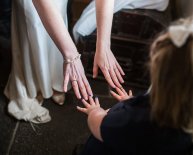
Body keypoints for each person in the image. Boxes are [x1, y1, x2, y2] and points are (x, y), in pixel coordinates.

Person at [77, 18, 193, 155]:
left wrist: (95, 111)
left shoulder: (134, 121)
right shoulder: (185, 130)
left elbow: (98, 126)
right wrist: (130, 102)